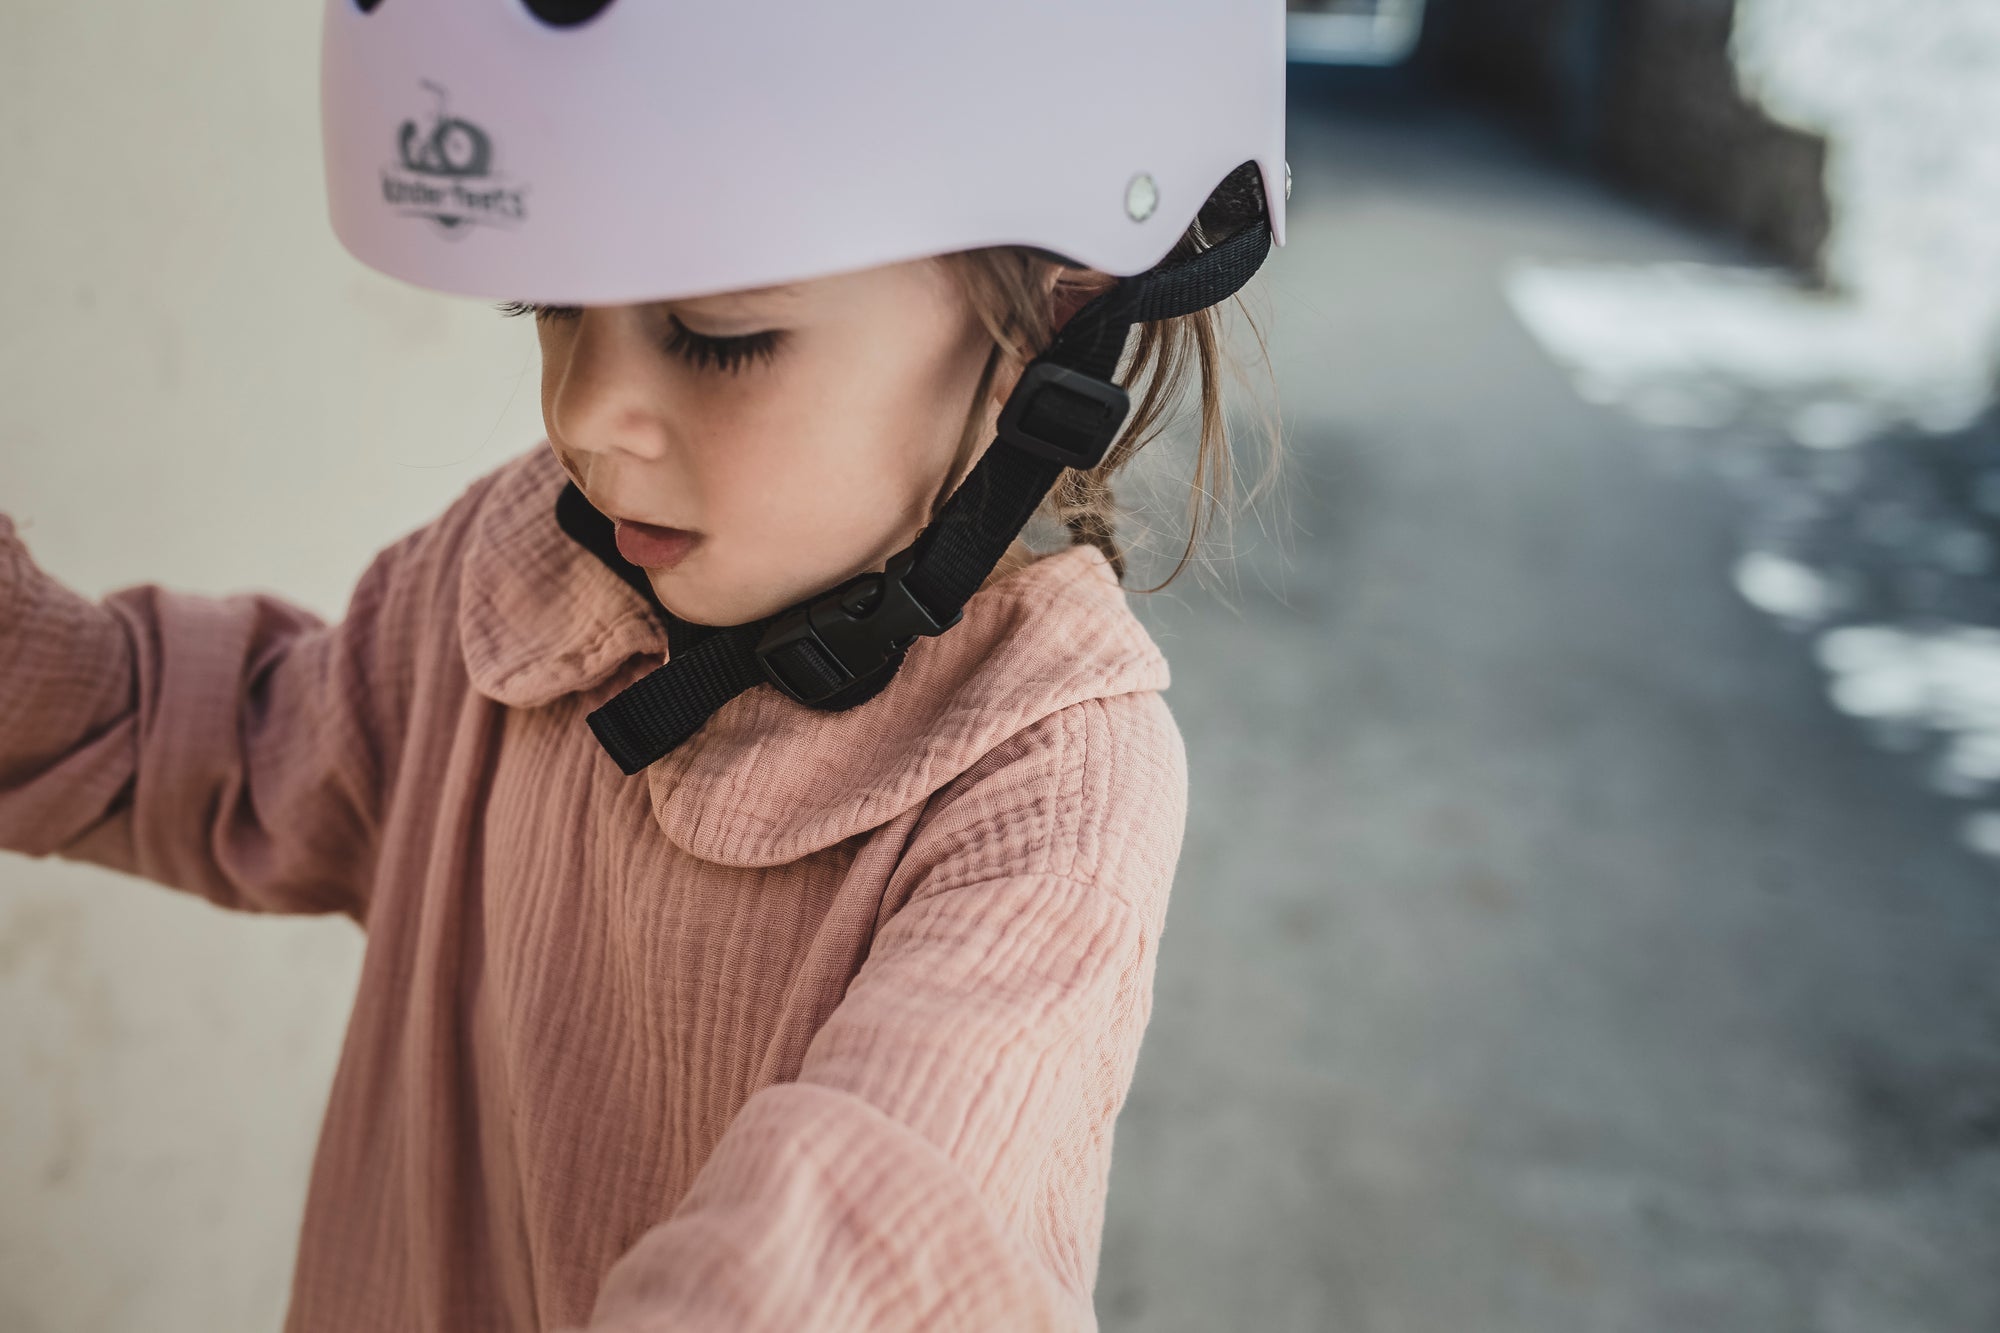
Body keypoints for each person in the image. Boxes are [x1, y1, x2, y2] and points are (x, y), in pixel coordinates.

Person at [0, 1, 1287, 1328]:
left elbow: (857, 1246)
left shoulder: (1045, 797)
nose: (583, 415)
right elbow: (208, 749)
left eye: (717, 334)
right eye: (549, 302)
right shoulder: (523, 568)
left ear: (1057, 314)